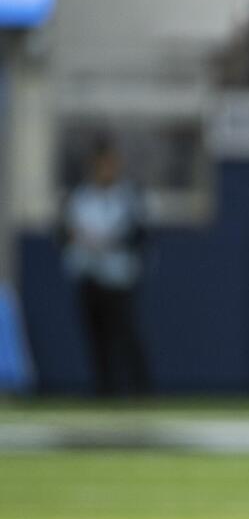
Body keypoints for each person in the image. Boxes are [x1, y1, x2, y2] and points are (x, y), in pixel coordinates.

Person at [60, 139, 149, 395]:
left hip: (119, 277)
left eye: (110, 164)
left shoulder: (128, 196)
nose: (106, 170)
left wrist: (112, 241)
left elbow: (140, 235)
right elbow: (63, 233)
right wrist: (77, 239)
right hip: (89, 275)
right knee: (96, 337)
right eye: (101, 164)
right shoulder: (80, 197)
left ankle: (141, 391)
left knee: (126, 336)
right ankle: (104, 391)